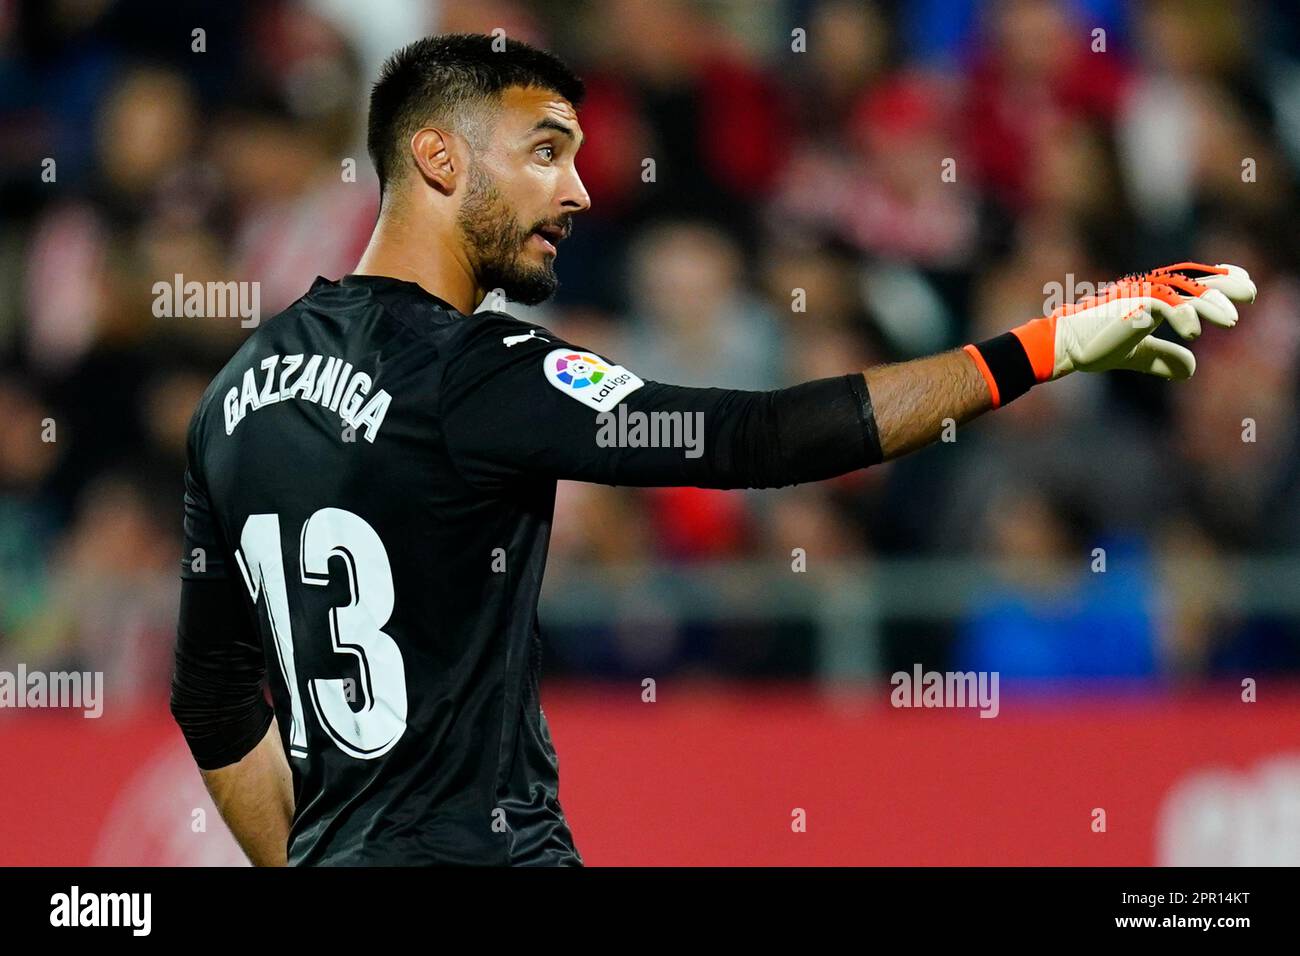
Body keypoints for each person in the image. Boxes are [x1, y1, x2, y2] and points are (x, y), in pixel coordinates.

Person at [168, 33, 1257, 866]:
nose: (579, 190)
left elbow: (214, 703)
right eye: (545, 152)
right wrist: (1046, 343)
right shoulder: (478, 370)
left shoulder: (232, 399)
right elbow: (751, 436)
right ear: (438, 157)